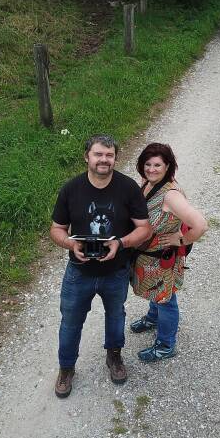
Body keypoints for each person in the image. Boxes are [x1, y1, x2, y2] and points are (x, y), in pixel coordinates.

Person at [49, 134, 152, 398]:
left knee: (116, 316)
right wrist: (71, 244)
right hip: (78, 272)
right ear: (87, 157)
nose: (104, 160)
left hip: (116, 271)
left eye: (109, 155)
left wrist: (121, 242)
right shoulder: (71, 189)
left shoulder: (128, 188)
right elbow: (57, 229)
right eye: (98, 154)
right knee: (70, 322)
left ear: (115, 158)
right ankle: (66, 368)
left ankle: (114, 356)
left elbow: (145, 228)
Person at [130, 142, 208, 362]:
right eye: (147, 164)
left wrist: (180, 239)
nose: (151, 169)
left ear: (167, 166)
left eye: (157, 165)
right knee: (156, 292)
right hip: (147, 258)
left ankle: (166, 344)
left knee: (166, 299)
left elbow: (201, 225)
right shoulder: (148, 182)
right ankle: (153, 318)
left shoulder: (170, 196)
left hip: (160, 258)